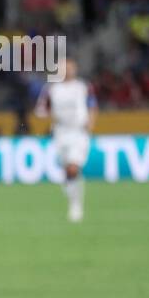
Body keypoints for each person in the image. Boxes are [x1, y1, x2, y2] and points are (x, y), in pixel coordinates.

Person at [35, 58, 96, 222]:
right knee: (67, 171)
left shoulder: (83, 87)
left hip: (78, 131)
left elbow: (91, 105)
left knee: (73, 168)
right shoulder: (52, 88)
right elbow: (41, 109)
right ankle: (71, 192)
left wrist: (91, 122)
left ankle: (76, 206)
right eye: (65, 68)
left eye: (71, 68)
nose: (68, 71)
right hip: (61, 132)